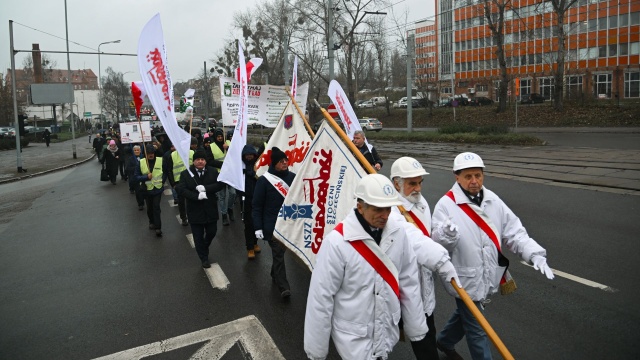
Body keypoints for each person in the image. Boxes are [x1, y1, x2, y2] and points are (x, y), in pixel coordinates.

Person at [431, 152, 555, 360]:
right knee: (478, 328)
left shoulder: (492, 200)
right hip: (464, 278)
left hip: (487, 273)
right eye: (468, 176)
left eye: (478, 176)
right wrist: (446, 234)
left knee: (470, 315)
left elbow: (514, 232)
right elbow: (436, 245)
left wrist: (534, 254)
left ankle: (444, 340)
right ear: (457, 177)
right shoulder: (446, 204)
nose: (474, 181)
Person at [304, 174, 427, 360]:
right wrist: (316, 350)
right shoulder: (337, 243)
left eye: (388, 208)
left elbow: (408, 280)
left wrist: (416, 326)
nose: (385, 215)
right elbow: (321, 298)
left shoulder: (398, 233)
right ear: (360, 206)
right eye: (378, 209)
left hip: (387, 332)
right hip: (353, 340)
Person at [390, 157, 459, 360]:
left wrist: (445, 234)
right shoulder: (390, 210)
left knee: (428, 330)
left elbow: (428, 238)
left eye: (420, 182)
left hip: (425, 283)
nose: (418, 188)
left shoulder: (421, 204)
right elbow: (413, 240)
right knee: (392, 338)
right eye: (412, 183)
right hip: (403, 285)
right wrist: (440, 259)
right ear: (396, 183)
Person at [252, 147, 295, 299]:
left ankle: (274, 272)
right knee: (278, 253)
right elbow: (256, 206)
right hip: (272, 225)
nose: (284, 163)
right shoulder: (264, 181)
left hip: (289, 224)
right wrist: (257, 226)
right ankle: (283, 287)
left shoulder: (293, 177)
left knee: (280, 253)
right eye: (281, 161)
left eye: (286, 160)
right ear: (274, 164)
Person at [177, 150, 226, 268]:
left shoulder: (213, 172)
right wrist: (196, 196)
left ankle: (205, 246)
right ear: (193, 161)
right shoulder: (185, 174)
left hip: (210, 209)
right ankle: (203, 258)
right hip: (195, 211)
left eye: (202, 159)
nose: (200, 161)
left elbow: (220, 184)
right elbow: (181, 189)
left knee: (212, 232)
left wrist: (205, 188)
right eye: (197, 159)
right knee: (198, 237)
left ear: (205, 161)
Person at [134, 144, 165, 237]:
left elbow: (165, 172)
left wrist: (162, 181)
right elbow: (136, 177)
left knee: (156, 207)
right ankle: (151, 221)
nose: (151, 155)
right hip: (147, 190)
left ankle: (158, 227)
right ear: (145, 154)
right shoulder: (141, 162)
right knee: (150, 208)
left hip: (158, 189)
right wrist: (146, 177)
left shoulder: (160, 161)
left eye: (152, 153)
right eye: (149, 153)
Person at [165, 138, 196, 226]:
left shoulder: (192, 153)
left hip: (191, 180)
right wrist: (173, 184)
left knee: (192, 199)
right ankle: (183, 217)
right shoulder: (173, 155)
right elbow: (169, 170)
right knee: (181, 201)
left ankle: (192, 215)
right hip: (179, 182)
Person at [209, 128, 236, 225]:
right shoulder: (211, 146)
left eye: (221, 136)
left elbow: (236, 155)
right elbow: (209, 161)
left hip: (229, 173)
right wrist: (222, 164)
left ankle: (230, 208)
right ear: (215, 137)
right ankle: (224, 215)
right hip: (219, 175)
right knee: (222, 196)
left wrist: (228, 148)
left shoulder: (228, 144)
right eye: (218, 136)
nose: (220, 138)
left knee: (232, 193)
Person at [240, 144, 260, 259]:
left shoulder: (258, 166)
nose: (249, 157)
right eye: (246, 155)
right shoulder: (240, 167)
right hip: (246, 200)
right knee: (248, 224)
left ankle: (255, 242)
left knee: (257, 223)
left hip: (257, 199)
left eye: (251, 155)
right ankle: (250, 248)